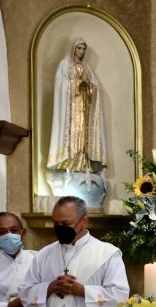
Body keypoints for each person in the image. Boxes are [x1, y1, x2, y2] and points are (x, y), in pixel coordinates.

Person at [46, 38, 107, 208]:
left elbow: (96, 87)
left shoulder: (87, 68)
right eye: (79, 48)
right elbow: (60, 85)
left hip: (84, 110)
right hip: (70, 113)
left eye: (83, 49)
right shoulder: (64, 64)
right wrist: (75, 84)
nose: (81, 51)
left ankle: (84, 163)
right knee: (73, 137)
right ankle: (70, 164)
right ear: (73, 48)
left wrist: (90, 87)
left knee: (83, 138)